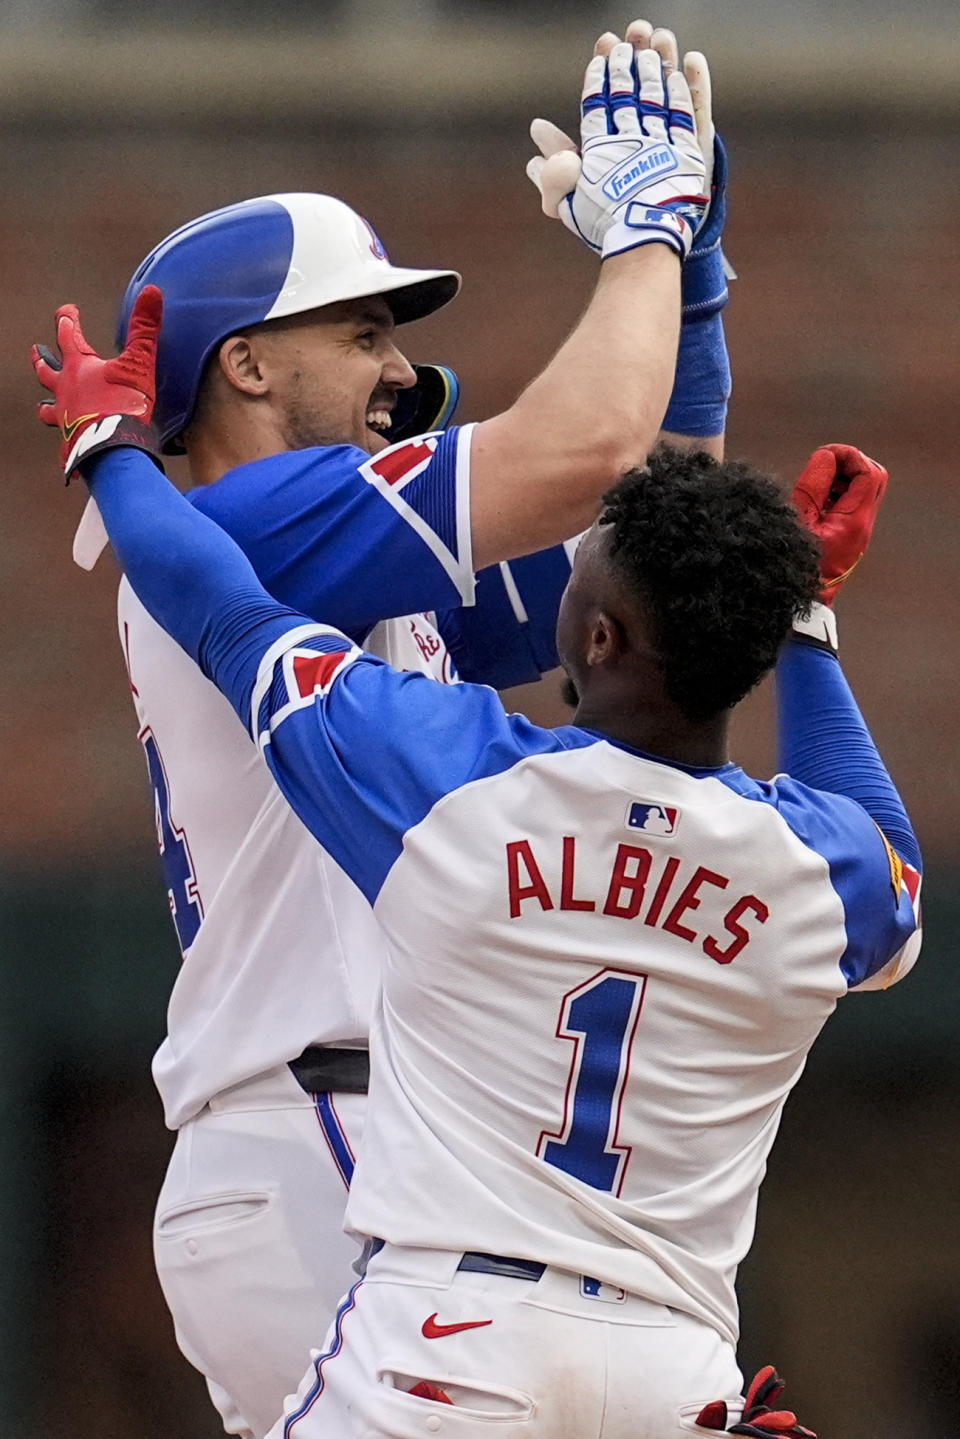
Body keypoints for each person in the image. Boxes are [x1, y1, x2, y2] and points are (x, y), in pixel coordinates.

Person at [33, 281, 920, 1434]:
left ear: (595, 637)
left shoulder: (459, 784)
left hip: (453, 1328)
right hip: (675, 1363)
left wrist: (109, 451)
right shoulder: (807, 863)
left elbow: (218, 604)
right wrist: (802, 622)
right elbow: (890, 858)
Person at [47, 24, 731, 1436]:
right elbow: (584, 443)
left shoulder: (321, 540)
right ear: (242, 364)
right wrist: (642, 235)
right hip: (317, 1133)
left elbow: (661, 551)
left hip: (368, 1140)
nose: (392, 367)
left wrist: (694, 291)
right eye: (358, 330)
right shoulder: (255, 518)